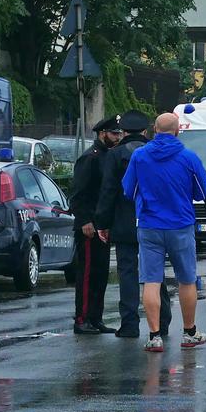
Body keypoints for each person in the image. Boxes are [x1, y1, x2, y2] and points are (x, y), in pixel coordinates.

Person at [121, 112, 206, 353]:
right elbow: (203, 191)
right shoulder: (188, 157)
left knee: (151, 280)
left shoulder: (139, 156)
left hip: (149, 224)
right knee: (187, 279)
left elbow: (128, 189)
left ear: (154, 130)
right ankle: (189, 332)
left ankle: (154, 336)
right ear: (177, 130)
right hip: (181, 224)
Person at [96, 110, 171, 340]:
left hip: (124, 222)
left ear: (124, 131)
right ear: (146, 131)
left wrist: (102, 222)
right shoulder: (156, 153)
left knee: (127, 273)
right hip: (155, 220)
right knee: (155, 273)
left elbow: (108, 191)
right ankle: (162, 321)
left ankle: (129, 324)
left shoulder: (115, 155)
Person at [69, 116, 123, 334]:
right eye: (114, 133)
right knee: (87, 275)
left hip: (103, 224)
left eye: (119, 133)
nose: (118, 137)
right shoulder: (90, 158)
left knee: (100, 273)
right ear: (102, 134)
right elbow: (78, 194)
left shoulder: (108, 156)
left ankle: (95, 318)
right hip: (89, 226)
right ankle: (82, 318)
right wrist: (85, 221)